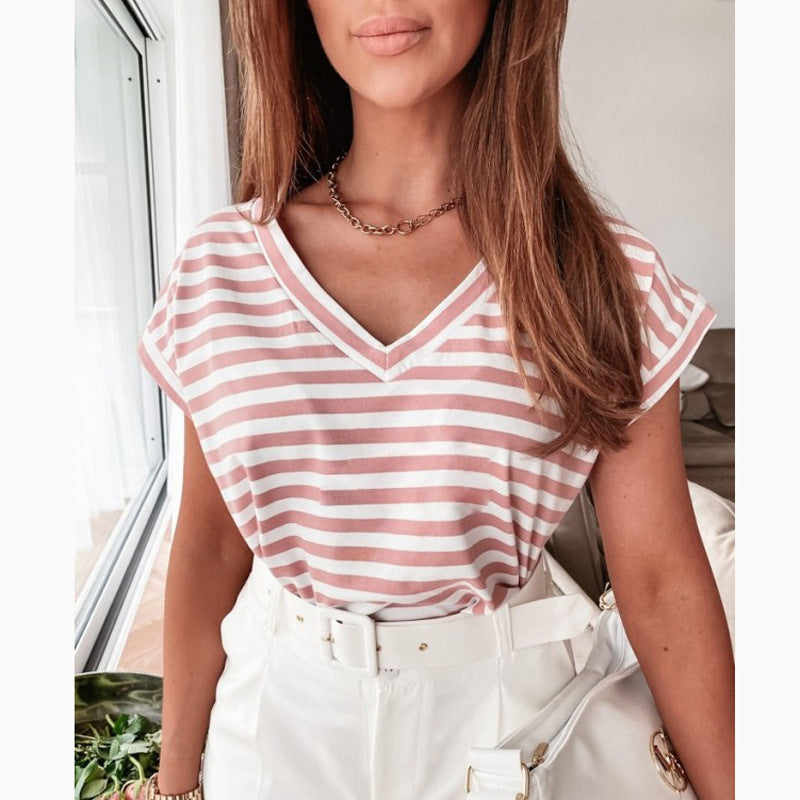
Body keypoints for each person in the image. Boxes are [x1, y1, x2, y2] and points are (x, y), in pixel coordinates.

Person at [136, 1, 735, 799]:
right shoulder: (221, 267)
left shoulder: (603, 280)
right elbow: (210, 547)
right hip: (272, 731)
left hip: (515, 740)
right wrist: (175, 782)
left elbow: (662, 583)